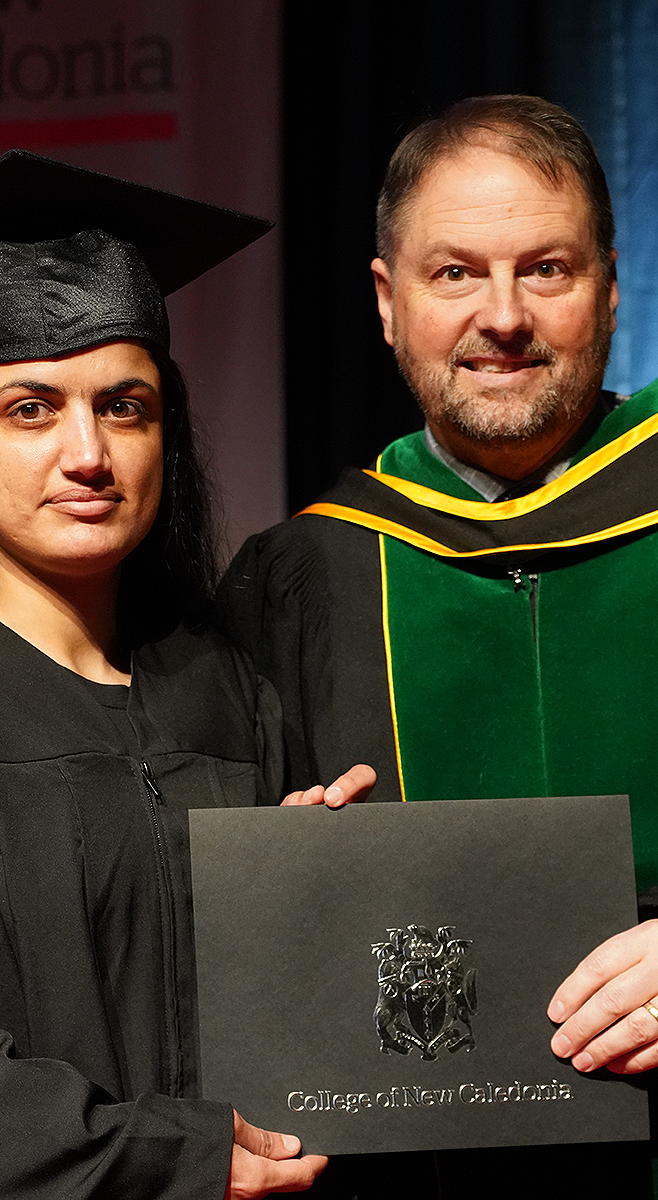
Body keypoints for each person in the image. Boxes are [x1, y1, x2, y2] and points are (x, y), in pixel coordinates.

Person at [0, 150, 374, 1199]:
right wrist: (154, 1160)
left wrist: (312, 892)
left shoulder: (225, 682)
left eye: (125, 406)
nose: (87, 453)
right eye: (31, 408)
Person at [222, 95, 658, 1196]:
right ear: (387, 300)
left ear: (611, 286)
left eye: (546, 270)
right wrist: (277, 891)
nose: (502, 316)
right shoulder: (301, 579)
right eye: (454, 272)